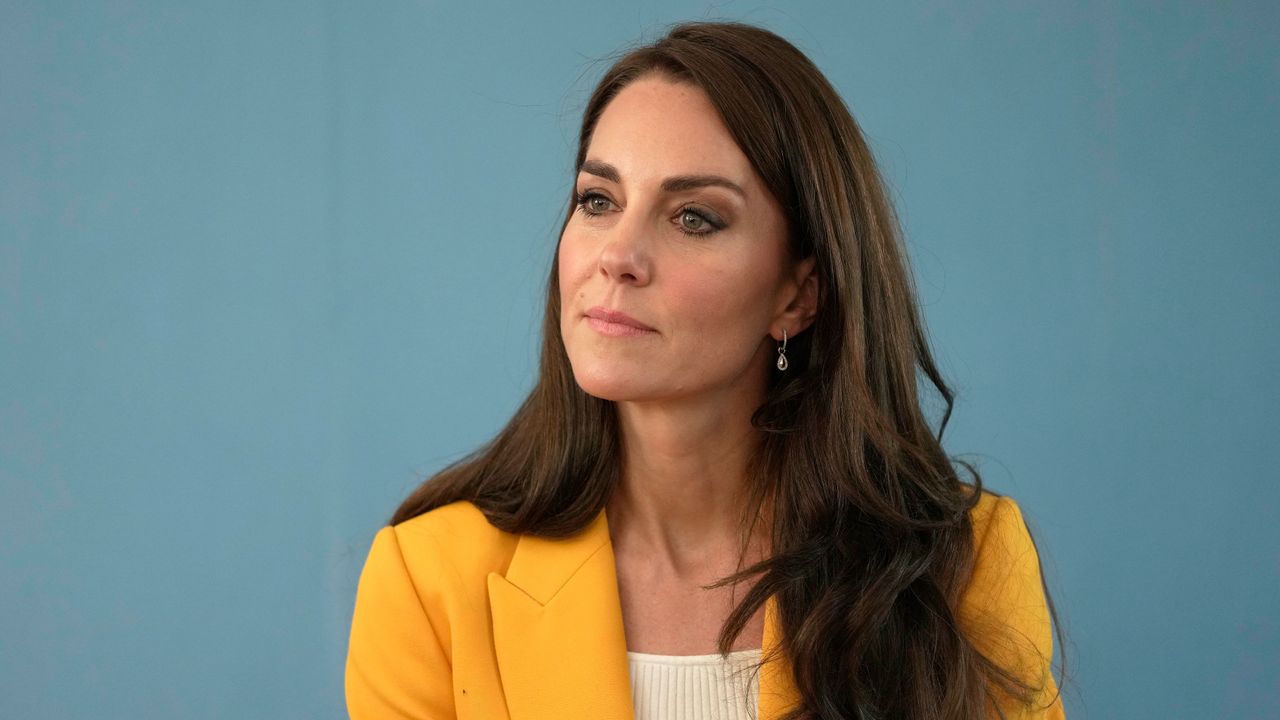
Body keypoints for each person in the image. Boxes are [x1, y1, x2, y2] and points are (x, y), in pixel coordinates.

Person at [345, 19, 1067, 720]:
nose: (617, 256)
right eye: (598, 200)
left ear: (798, 295)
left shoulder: (962, 565)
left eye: (693, 217)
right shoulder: (429, 579)